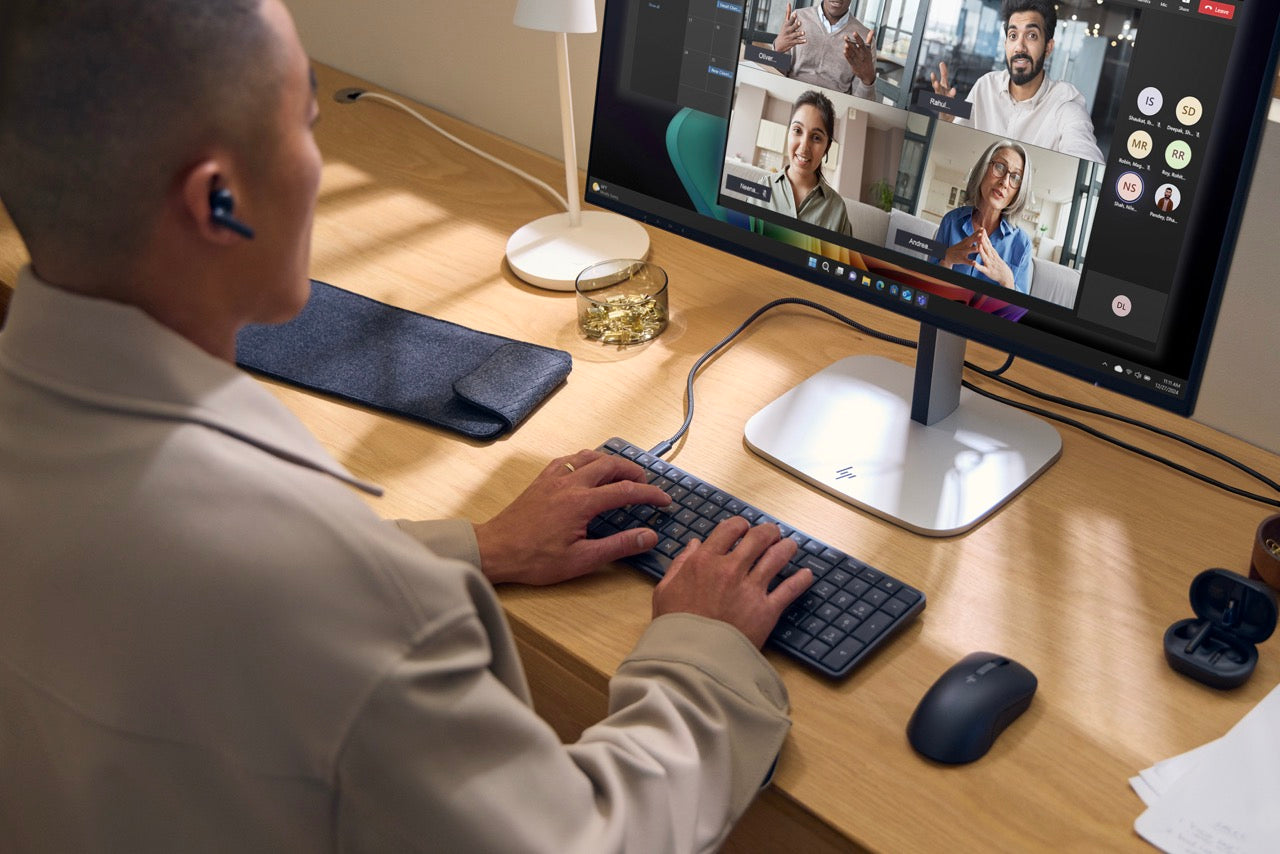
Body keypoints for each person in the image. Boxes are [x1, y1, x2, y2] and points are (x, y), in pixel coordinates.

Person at [0, 1, 815, 851]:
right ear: (221, 203)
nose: (318, 165)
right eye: (306, 128)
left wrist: (477, 546)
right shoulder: (348, 606)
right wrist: (701, 653)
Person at [930, 0, 1104, 163]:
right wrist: (946, 116)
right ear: (1006, 44)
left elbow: (1084, 152)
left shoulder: (1065, 105)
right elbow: (955, 143)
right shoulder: (985, 86)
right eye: (1013, 35)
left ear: (1048, 47)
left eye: (1032, 35)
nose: (1020, 47)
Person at [930, 140, 1035, 295]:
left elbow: (1018, 314)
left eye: (1016, 178)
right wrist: (947, 259)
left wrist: (1007, 280)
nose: (1005, 182)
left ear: (1019, 191)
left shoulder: (1023, 244)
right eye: (999, 167)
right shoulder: (951, 221)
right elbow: (926, 283)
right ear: (983, 169)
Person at [759, 90, 854, 236]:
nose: (804, 147)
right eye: (797, 130)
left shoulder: (837, 209)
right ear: (788, 133)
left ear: (827, 147)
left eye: (816, 138)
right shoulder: (762, 187)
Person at [772, 0, 878, 100]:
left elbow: (861, 105)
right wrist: (777, 52)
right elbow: (776, 79)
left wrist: (867, 81)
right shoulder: (797, 19)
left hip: (835, 110)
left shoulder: (864, 40)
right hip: (791, 97)